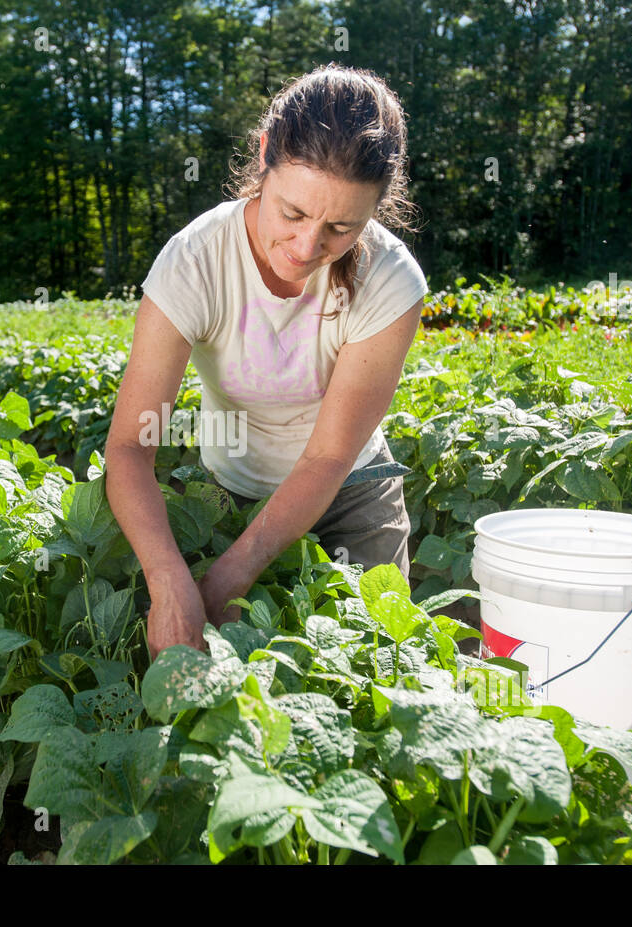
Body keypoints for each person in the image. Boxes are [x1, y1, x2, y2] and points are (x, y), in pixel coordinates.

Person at [104, 64, 428, 659]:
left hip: (350, 491)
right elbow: (129, 447)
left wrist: (234, 574)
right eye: (294, 214)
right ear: (263, 156)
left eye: (341, 228)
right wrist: (169, 577)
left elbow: (329, 455)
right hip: (227, 490)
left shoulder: (390, 277)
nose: (308, 249)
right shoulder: (195, 262)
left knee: (377, 664)